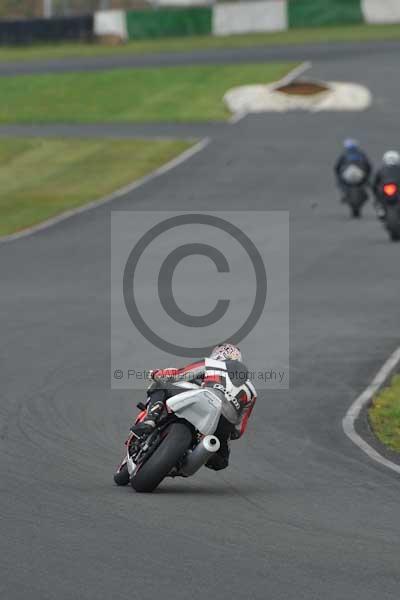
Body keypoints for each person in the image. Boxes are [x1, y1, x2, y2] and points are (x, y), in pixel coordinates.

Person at [130, 343, 257, 471]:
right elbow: (239, 429)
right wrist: (228, 433)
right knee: (221, 460)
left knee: (160, 386)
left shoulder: (212, 364)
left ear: (218, 355)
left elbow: (180, 374)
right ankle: (198, 454)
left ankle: (150, 420)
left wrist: (157, 374)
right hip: (224, 422)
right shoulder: (252, 391)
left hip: (205, 398)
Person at [373, 151, 400, 220]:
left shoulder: (381, 169)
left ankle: (380, 210)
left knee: (378, 198)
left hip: (386, 190)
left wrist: (375, 190)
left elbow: (375, 182)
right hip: (392, 190)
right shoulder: (382, 170)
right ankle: (381, 210)